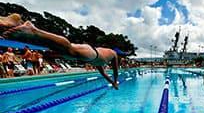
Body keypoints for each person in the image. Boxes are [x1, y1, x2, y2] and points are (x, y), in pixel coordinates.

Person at [4, 21, 132, 89]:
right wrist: (115, 81)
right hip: (91, 53)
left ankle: (17, 25)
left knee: (56, 48)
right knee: (68, 48)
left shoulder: (103, 60)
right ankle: (33, 29)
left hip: (89, 53)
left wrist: (112, 82)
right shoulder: (113, 54)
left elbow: (103, 73)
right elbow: (115, 70)